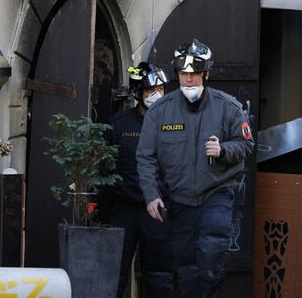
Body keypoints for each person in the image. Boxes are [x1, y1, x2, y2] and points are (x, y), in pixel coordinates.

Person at [137, 39, 254, 298]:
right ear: (177, 74)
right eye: (184, 74)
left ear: (206, 74)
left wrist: (223, 150)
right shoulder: (159, 113)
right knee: (187, 267)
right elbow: (145, 157)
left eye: (195, 74)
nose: (189, 80)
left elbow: (246, 145)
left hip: (215, 192)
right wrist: (151, 195)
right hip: (179, 198)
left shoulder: (229, 107)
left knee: (212, 256)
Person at [103, 62, 175, 298]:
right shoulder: (118, 124)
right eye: (150, 90)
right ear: (138, 94)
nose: (157, 94)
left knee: (160, 274)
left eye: (162, 89)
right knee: (113, 272)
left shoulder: (174, 125)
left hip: (158, 208)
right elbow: (104, 166)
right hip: (123, 207)